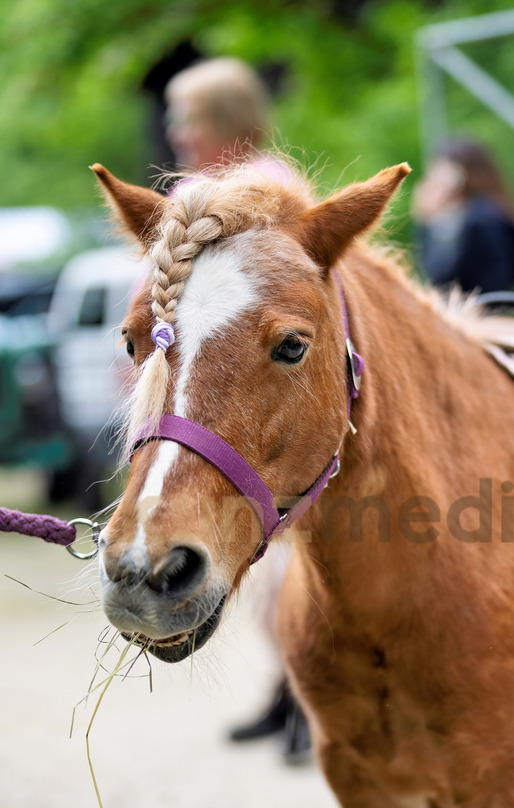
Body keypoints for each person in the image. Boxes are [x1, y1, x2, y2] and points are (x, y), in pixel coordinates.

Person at [163, 57, 310, 762]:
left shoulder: (272, 188)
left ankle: (302, 699)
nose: (177, 133)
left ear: (226, 123)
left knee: (282, 569)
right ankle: (286, 696)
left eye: (189, 119)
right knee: (258, 577)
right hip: (199, 399)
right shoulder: (194, 190)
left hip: (247, 413)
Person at [412, 136, 514, 294]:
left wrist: (427, 222)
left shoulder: (479, 219)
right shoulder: (494, 211)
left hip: (478, 310)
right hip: (492, 306)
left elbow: (439, 277)